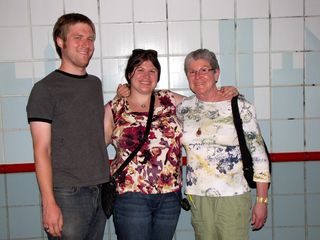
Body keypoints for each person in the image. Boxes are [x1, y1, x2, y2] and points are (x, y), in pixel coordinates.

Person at [108, 49, 238, 240]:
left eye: (152, 70)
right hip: (130, 196)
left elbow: (204, 106)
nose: (146, 75)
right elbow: (95, 146)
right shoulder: (115, 106)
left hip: (169, 197)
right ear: (129, 74)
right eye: (139, 69)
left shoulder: (169, 100)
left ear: (158, 76)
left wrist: (227, 93)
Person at [26, 13, 108, 239]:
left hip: (100, 189)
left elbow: (92, 134)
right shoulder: (44, 89)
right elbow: (41, 149)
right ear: (60, 41)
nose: (87, 45)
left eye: (91, 38)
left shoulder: (94, 84)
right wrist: (48, 203)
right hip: (67, 194)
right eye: (78, 37)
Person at [176, 48, 271, 240]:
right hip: (198, 196)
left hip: (232, 195)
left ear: (216, 73)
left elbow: (259, 156)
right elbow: (151, 94)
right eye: (192, 72)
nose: (198, 76)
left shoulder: (240, 106)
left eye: (204, 70)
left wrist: (262, 200)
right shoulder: (184, 108)